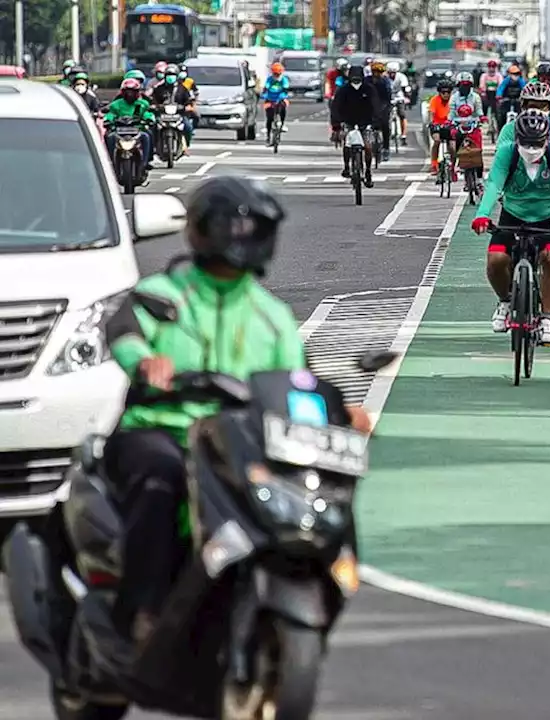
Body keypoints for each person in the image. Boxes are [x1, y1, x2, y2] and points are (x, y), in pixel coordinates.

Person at [102, 176, 373, 644]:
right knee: (161, 481)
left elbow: (299, 381)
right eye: (231, 227)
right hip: (164, 428)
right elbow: (124, 331)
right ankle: (142, 612)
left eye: (252, 230)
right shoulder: (164, 293)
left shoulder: (273, 316)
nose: (241, 239)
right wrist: (146, 362)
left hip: (241, 440)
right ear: (202, 231)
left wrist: (342, 411)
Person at [471, 111, 550, 346]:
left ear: (546, 140)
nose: (531, 149)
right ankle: (504, 301)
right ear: (517, 138)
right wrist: (482, 215)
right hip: (513, 215)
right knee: (496, 260)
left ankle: (547, 319)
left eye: (537, 144)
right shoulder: (507, 153)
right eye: (526, 144)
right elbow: (494, 185)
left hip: (547, 216)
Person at [330, 65, 378, 186]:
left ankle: (368, 171)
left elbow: (376, 107)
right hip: (348, 121)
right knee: (347, 144)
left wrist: (375, 122)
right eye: (353, 77)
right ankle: (347, 167)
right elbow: (335, 107)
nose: (356, 80)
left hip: (365, 122)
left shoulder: (369, 89)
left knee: (368, 147)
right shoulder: (343, 90)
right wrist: (336, 124)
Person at [498, 81, 550, 151]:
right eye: (532, 105)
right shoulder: (509, 129)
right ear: (523, 106)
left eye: (542, 106)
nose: (537, 110)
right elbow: (500, 159)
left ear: (549, 107)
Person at [104, 77, 155, 173]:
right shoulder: (116, 104)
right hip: (119, 131)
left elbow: (147, 113)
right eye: (127, 92)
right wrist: (108, 120)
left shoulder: (142, 104)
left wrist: (149, 119)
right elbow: (110, 114)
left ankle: (145, 162)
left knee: (146, 136)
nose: (130, 94)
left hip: (137, 130)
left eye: (132, 91)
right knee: (110, 137)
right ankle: (110, 162)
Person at [152, 65, 196, 151]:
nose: (170, 77)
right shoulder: (159, 89)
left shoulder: (182, 88)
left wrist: (188, 106)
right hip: (163, 115)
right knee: (153, 128)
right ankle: (154, 147)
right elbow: (154, 100)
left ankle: (185, 146)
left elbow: (188, 100)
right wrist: (154, 106)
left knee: (188, 127)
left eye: (172, 75)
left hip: (179, 114)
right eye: (168, 74)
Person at [426, 78, 455, 176]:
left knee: (452, 146)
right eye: (443, 92)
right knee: (437, 141)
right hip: (437, 125)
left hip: (449, 125)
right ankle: (434, 164)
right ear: (439, 92)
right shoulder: (434, 100)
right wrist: (431, 122)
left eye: (448, 92)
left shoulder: (453, 100)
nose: (446, 94)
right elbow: (431, 112)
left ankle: (453, 166)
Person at [368, 61, 394, 162]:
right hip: (369, 106)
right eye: (375, 72)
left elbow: (388, 95)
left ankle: (386, 149)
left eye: (379, 72)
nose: (377, 74)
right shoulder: (367, 80)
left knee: (385, 125)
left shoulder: (385, 81)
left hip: (383, 106)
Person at [260, 62, 290, 142]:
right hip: (270, 99)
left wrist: (284, 94)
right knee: (269, 117)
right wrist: (264, 94)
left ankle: (282, 124)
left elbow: (286, 89)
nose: (276, 75)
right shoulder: (269, 79)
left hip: (280, 99)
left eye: (278, 73)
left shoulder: (284, 79)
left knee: (283, 108)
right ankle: (268, 136)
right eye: (275, 73)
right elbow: (266, 88)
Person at [387, 60, 412, 142]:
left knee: (402, 115)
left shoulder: (402, 77)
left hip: (399, 96)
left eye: (393, 72)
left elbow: (406, 88)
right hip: (388, 96)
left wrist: (407, 97)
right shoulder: (385, 77)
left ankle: (403, 135)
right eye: (390, 72)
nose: (391, 74)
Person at [496, 64, 527, 128]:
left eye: (517, 73)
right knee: (502, 115)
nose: (515, 75)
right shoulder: (506, 80)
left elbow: (524, 89)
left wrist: (525, 96)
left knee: (521, 115)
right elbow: (501, 88)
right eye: (513, 73)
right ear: (510, 74)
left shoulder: (521, 81)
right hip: (506, 100)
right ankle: (501, 130)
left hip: (517, 100)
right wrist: (499, 95)